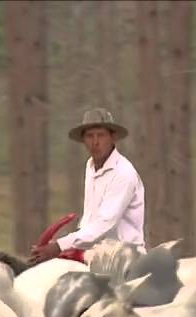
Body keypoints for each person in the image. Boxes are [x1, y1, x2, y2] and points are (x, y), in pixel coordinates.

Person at [30, 108, 146, 264]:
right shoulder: (90, 166)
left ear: (112, 138)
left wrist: (60, 245)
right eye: (90, 136)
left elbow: (105, 223)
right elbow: (91, 220)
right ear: (84, 140)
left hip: (125, 257)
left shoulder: (123, 173)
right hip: (96, 254)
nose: (95, 142)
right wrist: (63, 246)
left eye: (101, 135)